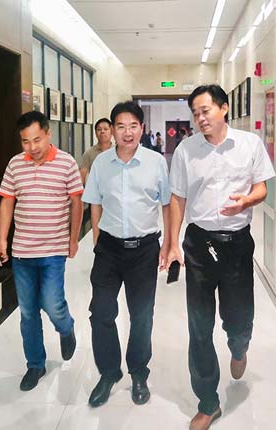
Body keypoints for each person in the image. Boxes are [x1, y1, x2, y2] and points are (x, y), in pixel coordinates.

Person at [167, 85, 275, 430]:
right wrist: (172, 243)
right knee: (199, 325)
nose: (200, 118)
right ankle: (208, 403)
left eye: (206, 110)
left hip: (236, 244)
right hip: (199, 244)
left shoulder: (249, 144)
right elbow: (177, 199)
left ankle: (239, 346)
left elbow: (262, 187)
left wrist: (247, 201)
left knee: (239, 319)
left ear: (224, 108)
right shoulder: (186, 150)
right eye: (195, 114)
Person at [82, 101, 171, 408]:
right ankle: (109, 373)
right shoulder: (101, 163)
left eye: (133, 126)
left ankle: (138, 373)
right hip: (108, 249)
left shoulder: (155, 162)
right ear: (112, 130)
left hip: (144, 250)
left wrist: (168, 244)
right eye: (121, 126)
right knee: (101, 312)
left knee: (142, 315)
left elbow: (167, 203)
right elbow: (94, 202)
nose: (127, 132)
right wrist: (97, 240)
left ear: (142, 128)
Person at [0, 111, 84, 392]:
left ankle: (66, 327)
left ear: (48, 133)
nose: (32, 147)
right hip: (22, 252)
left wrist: (73, 239)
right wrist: (2, 240)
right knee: (28, 312)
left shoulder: (66, 163)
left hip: (53, 250)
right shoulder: (15, 164)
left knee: (52, 303)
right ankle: (35, 364)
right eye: (25, 141)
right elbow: (7, 202)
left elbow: (77, 203)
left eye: (37, 140)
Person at [79, 118, 113, 184]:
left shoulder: (117, 151)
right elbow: (82, 176)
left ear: (112, 132)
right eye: (99, 129)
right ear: (95, 133)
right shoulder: (89, 153)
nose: (102, 132)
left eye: (105, 129)